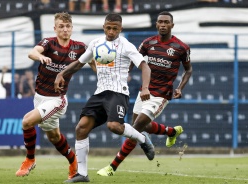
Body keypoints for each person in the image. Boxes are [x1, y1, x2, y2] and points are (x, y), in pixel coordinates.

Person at [54, 13, 154, 183]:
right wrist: (61, 73)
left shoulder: (126, 45)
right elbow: (79, 62)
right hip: (100, 93)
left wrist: (145, 87)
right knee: (81, 128)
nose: (111, 31)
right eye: (108, 27)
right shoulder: (95, 43)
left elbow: (145, 66)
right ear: (103, 27)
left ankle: (142, 138)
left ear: (120, 29)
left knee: (114, 126)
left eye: (115, 28)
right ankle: (82, 174)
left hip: (118, 92)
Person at [97, 11, 193, 176]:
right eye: (160, 22)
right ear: (156, 24)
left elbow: (188, 70)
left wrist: (180, 88)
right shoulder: (148, 43)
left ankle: (112, 167)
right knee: (141, 127)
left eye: (166, 22)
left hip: (162, 94)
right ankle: (172, 132)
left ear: (172, 25)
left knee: (137, 127)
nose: (163, 25)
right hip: (145, 91)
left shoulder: (181, 47)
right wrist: (124, 75)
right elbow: (135, 60)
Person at [15, 12, 95, 179]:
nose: (65, 29)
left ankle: (30, 160)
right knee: (54, 137)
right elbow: (32, 53)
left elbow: (94, 64)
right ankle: (73, 162)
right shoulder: (49, 43)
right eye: (61, 26)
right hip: (40, 98)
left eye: (67, 26)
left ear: (72, 28)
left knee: (27, 121)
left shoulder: (79, 47)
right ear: (55, 28)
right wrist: (41, 57)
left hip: (57, 100)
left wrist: (104, 70)